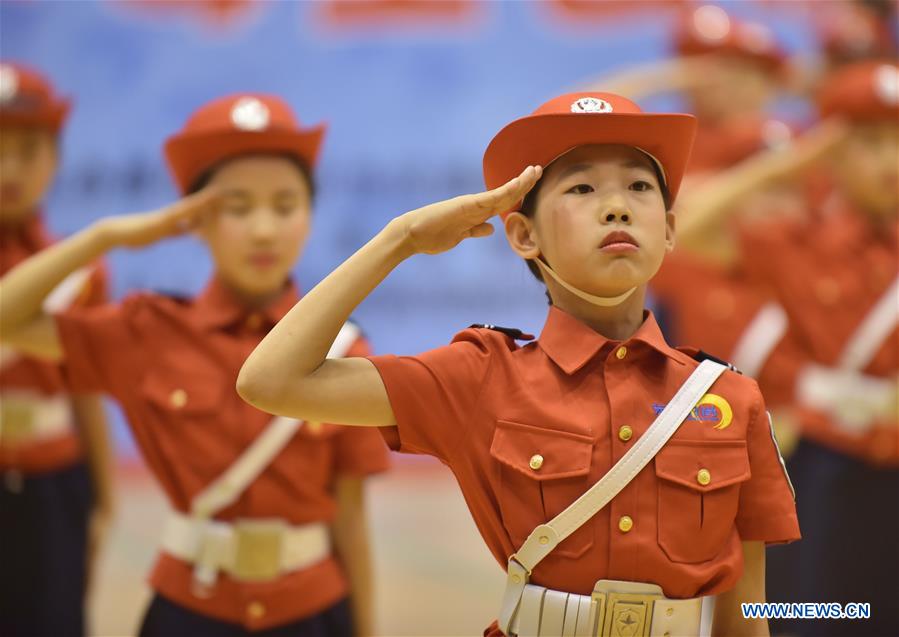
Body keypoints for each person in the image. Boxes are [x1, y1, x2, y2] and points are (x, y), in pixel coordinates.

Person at [237, 91, 799, 637]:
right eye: (582, 187)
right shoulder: (479, 377)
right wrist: (400, 239)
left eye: (639, 186)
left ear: (670, 230)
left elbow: (746, 618)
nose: (617, 205)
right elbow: (272, 381)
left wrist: (816, 618)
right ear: (524, 234)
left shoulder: (728, 399)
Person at [0, 93, 389, 636]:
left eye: (285, 205)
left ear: (308, 217)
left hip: (311, 612)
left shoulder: (344, 352)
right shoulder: (147, 332)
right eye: (236, 207)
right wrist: (105, 236)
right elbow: (7, 320)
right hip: (189, 612)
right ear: (195, 221)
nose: (263, 230)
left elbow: (350, 517)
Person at [0, 61, 114, 637]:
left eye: (28, 150)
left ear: (56, 158)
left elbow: (87, 388)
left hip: (54, 479)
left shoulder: (79, 271)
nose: (9, 169)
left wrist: (105, 497)